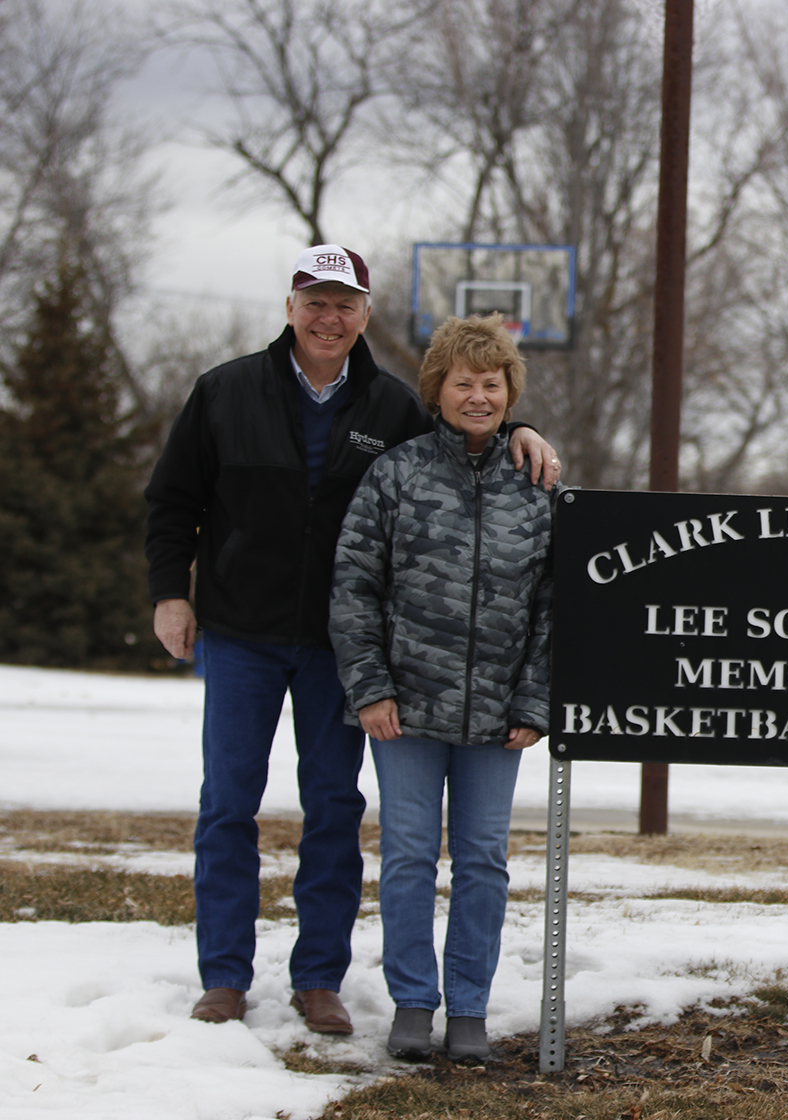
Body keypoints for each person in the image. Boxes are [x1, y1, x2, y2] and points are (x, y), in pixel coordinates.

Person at [144, 246, 560, 1034]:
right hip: (239, 632)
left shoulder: (390, 404)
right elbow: (172, 501)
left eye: (344, 305)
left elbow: (465, 431)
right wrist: (171, 592)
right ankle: (224, 975)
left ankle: (317, 979)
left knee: (333, 808)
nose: (328, 318)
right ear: (291, 307)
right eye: (315, 302)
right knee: (227, 803)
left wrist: (525, 430)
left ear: (364, 315)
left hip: (335, 648)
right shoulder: (226, 391)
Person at [330, 315, 552, 1063]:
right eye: (464, 383)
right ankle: (413, 1004)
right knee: (408, 856)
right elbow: (354, 586)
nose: (478, 396)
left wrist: (534, 701)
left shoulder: (537, 485)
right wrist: (370, 687)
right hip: (405, 709)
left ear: (509, 392)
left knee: (484, 859)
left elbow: (553, 606)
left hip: (498, 716)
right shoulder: (397, 474)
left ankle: (469, 1010)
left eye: (492, 384)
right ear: (438, 390)